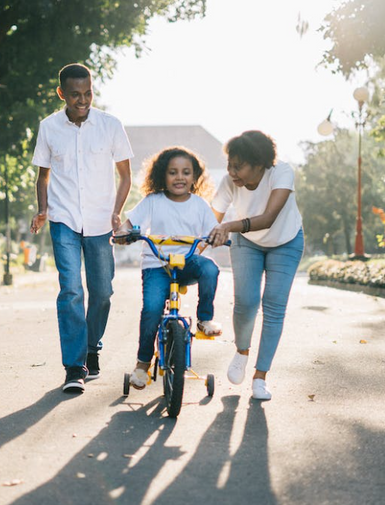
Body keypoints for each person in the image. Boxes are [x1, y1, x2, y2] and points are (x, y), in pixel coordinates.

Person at [30, 63, 133, 393]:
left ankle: (92, 348)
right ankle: (74, 367)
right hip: (63, 220)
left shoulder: (110, 125)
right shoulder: (49, 127)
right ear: (62, 94)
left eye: (88, 93)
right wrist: (43, 210)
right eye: (75, 95)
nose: (83, 100)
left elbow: (125, 175)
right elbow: (43, 176)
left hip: (101, 221)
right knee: (71, 289)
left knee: (102, 292)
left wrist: (117, 212)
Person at [208, 130, 304, 401]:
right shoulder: (229, 182)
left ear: (259, 164)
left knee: (274, 305)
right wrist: (195, 247)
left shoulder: (281, 173)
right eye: (230, 164)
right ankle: (241, 352)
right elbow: (210, 220)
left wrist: (228, 226)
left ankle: (260, 377)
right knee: (246, 302)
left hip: (285, 241)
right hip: (247, 243)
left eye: (238, 166)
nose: (232, 172)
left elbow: (269, 217)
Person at [117, 147, 222, 390]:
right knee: (152, 309)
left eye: (186, 172)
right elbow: (129, 224)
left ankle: (204, 319)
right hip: (157, 264)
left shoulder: (199, 204)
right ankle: (142, 365)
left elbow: (212, 230)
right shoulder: (153, 201)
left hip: (187, 262)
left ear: (194, 177)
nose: (179, 177)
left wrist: (217, 236)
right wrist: (124, 232)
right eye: (172, 172)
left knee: (210, 269)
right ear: (162, 176)